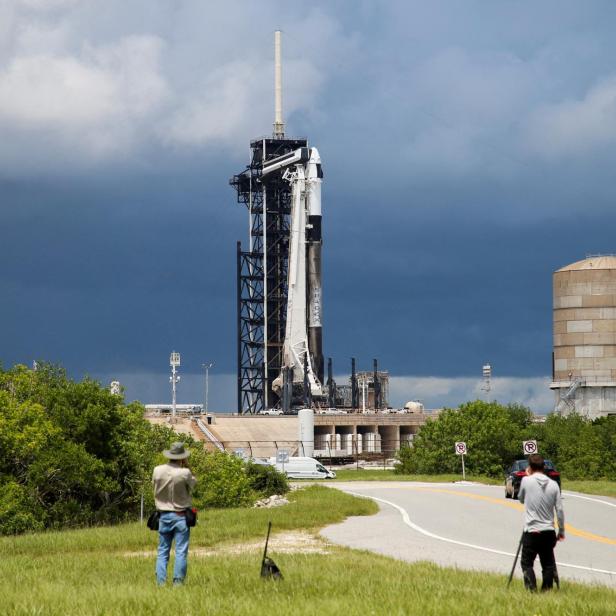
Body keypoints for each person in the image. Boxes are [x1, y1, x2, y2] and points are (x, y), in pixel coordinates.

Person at [152, 442, 197, 586]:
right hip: (181, 516)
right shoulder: (185, 472)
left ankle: (160, 583)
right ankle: (178, 583)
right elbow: (193, 485)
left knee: (162, 551)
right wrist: (187, 466)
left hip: (163, 515)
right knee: (181, 551)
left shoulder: (157, 470)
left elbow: (154, 486)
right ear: (182, 457)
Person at [518, 453, 565, 591]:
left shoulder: (526, 481)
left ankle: (531, 590)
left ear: (530, 467)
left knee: (526, 563)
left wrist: (527, 476)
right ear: (544, 467)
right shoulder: (554, 485)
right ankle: (547, 590)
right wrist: (561, 530)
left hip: (532, 530)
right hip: (548, 531)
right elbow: (560, 511)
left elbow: (521, 499)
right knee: (548, 564)